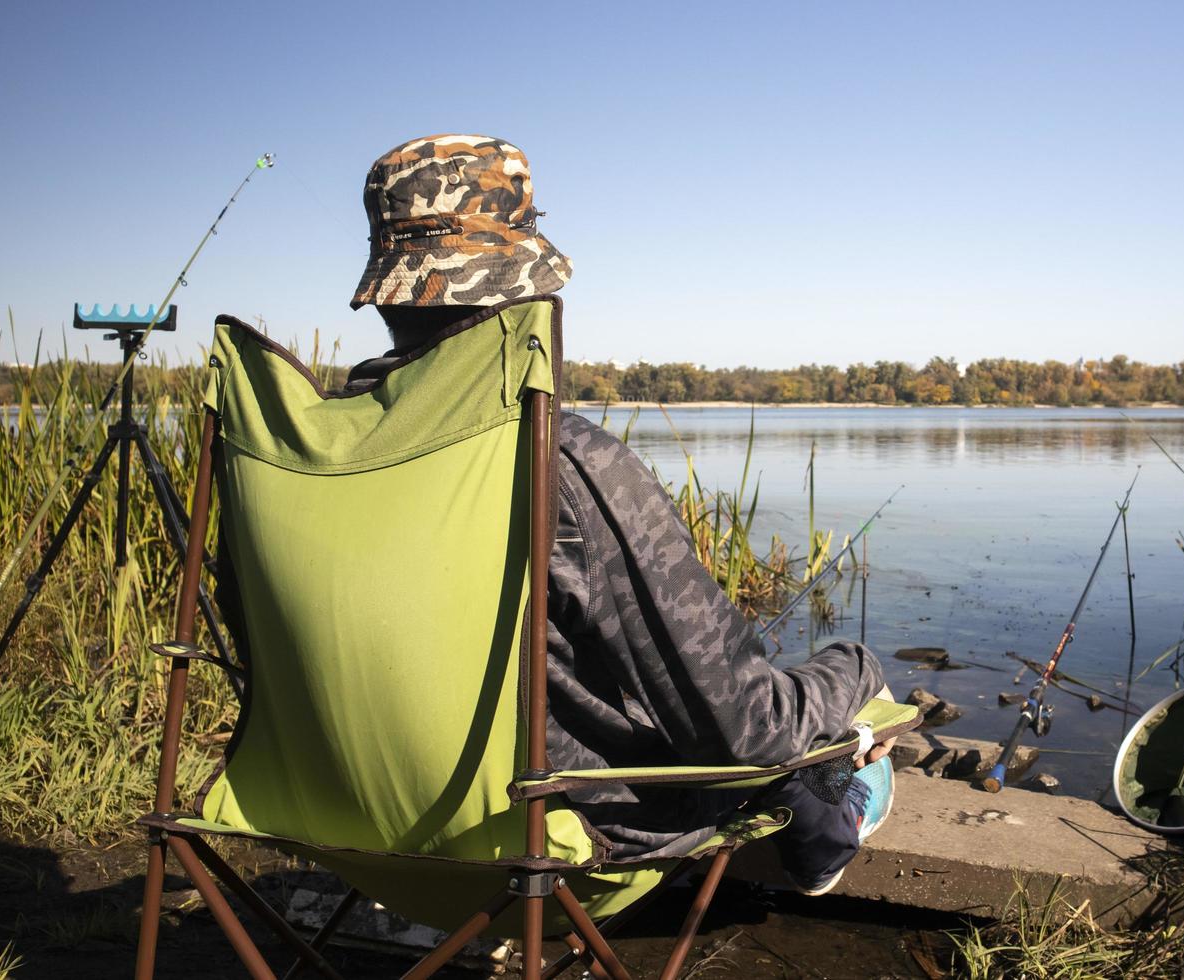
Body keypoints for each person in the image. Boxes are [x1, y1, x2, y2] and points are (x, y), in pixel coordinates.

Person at [345, 134, 896, 893]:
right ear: (527, 286)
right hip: (552, 841)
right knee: (812, 735)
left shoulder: (302, 450)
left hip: (352, 831)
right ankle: (831, 825)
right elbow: (747, 728)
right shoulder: (563, 462)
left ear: (389, 288)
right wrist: (853, 670)